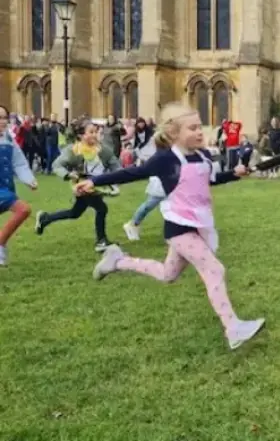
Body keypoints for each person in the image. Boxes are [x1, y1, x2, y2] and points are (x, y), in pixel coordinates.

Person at [78, 102, 265, 350]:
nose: (199, 132)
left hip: (199, 224)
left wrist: (234, 173)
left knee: (168, 275)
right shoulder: (165, 160)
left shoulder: (203, 155)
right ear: (175, 134)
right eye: (193, 128)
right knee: (214, 270)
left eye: (200, 127)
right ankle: (233, 329)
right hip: (178, 228)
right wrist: (95, 180)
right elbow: (132, 173)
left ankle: (117, 261)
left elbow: (210, 181)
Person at [35, 120, 120, 252]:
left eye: (96, 132)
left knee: (75, 213)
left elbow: (115, 164)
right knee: (101, 209)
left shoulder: (103, 149)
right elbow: (57, 165)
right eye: (90, 132)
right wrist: (68, 175)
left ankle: (45, 219)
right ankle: (101, 241)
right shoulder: (73, 150)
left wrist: (119, 177)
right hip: (82, 187)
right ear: (81, 135)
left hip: (97, 185)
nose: (95, 135)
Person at [0, 106, 37, 266]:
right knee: (23, 209)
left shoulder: (8, 138)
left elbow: (19, 162)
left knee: (23, 210)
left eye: (4, 118)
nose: (2, 121)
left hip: (6, 187)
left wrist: (28, 179)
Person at [122, 137, 168, 241]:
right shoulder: (159, 154)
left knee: (171, 207)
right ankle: (133, 224)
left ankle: (173, 233)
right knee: (149, 205)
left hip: (170, 183)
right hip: (159, 183)